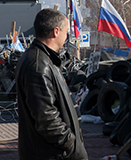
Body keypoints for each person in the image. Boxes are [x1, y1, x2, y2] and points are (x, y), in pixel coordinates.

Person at [15, 9, 88, 160]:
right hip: (52, 154)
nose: (66, 36)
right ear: (56, 32)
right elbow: (46, 118)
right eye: (66, 31)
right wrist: (71, 144)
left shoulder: (41, 59)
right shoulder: (39, 66)